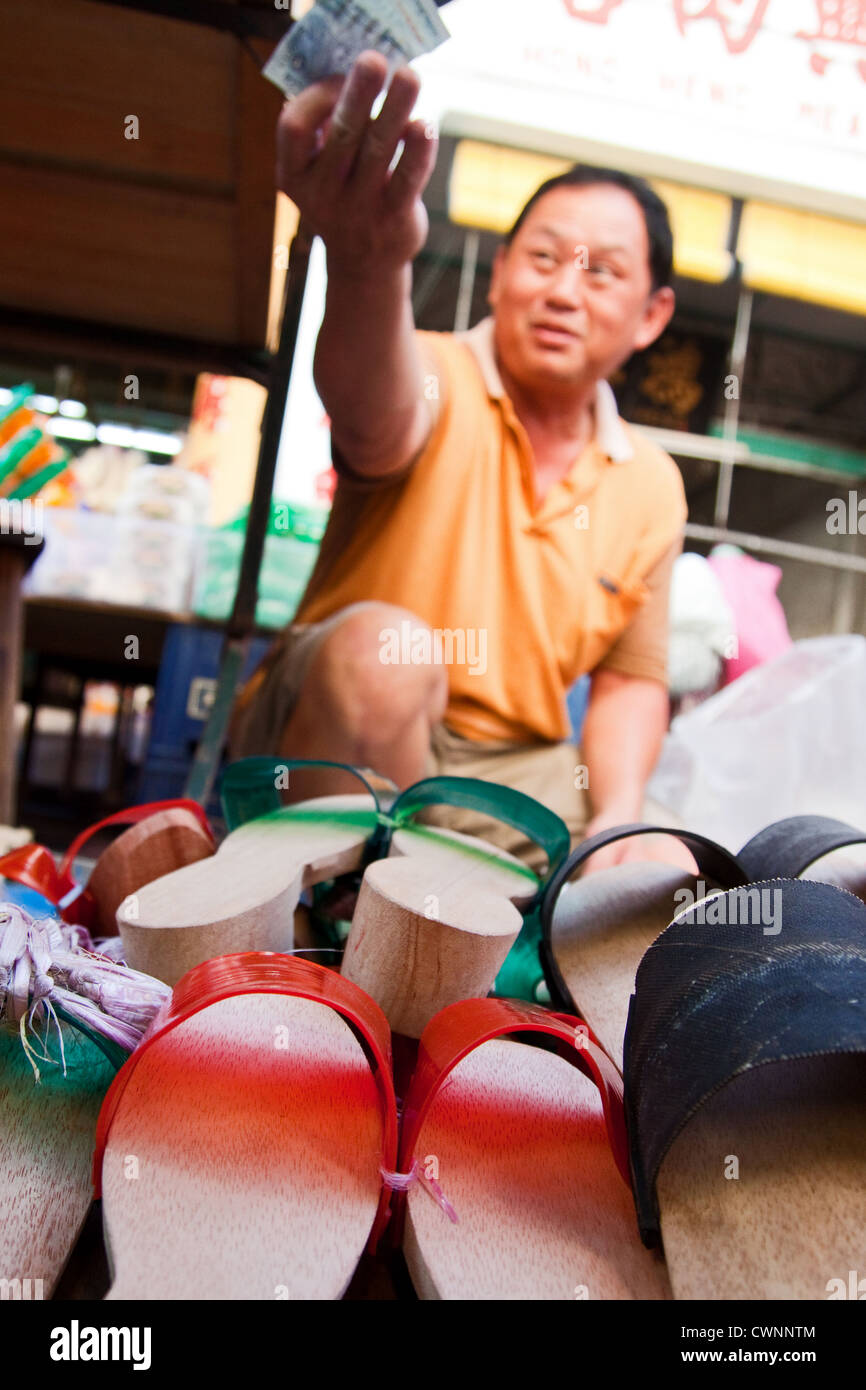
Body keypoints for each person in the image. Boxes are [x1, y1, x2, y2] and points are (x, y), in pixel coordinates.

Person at [230, 49, 696, 876]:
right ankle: (382, 911)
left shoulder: (651, 483)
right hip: (337, 741)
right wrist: (369, 261)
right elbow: (375, 414)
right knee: (384, 655)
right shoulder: (436, 372)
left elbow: (630, 682)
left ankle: (480, 949)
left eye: (604, 275)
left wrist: (615, 819)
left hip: (511, 771)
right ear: (500, 273)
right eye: (544, 258)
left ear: (652, 313)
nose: (564, 292)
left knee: (661, 859)